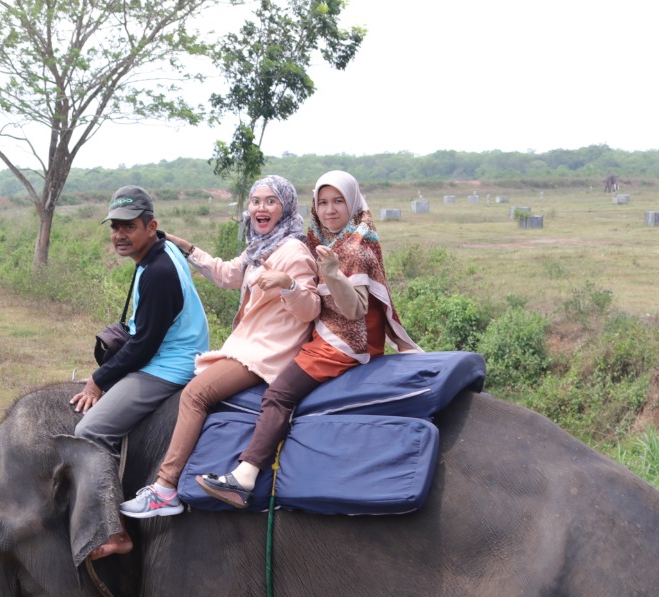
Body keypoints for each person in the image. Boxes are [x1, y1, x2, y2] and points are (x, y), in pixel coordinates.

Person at [195, 170, 422, 509]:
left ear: (354, 203)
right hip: (325, 332)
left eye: (339, 202)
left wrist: (330, 274)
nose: (330, 210)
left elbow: (354, 311)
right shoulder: (328, 241)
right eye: (323, 202)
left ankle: (245, 476)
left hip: (345, 341)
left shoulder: (355, 249)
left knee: (280, 393)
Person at [119, 175, 320, 519]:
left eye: (270, 201)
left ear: (286, 207)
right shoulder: (263, 246)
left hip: (267, 350)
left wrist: (287, 285)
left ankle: (165, 488)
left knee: (195, 394)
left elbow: (310, 309)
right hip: (249, 343)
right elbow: (228, 274)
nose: (261, 207)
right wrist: (188, 248)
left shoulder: (293, 251)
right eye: (256, 201)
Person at [72, 185, 211, 556]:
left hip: (171, 363)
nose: (119, 235)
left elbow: (144, 345)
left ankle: (113, 532)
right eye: (114, 226)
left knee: (90, 431)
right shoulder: (161, 248)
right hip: (166, 353)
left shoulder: (159, 272)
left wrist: (98, 380)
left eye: (128, 226)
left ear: (151, 227)